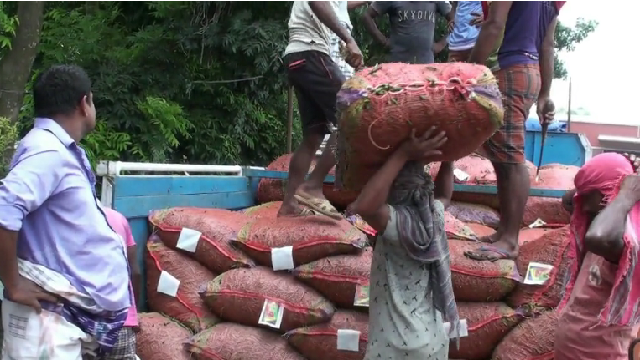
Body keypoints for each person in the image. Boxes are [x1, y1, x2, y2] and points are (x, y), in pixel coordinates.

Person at [0, 65, 131, 359]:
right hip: (49, 321)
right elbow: (4, 207)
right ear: (84, 104)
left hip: (67, 320)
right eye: (93, 101)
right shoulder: (48, 153)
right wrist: (13, 283)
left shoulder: (57, 150)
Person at [348, 127, 460, 359]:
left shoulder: (395, 225)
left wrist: (402, 154)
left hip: (395, 346)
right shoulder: (434, 217)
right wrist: (448, 159)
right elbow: (445, 196)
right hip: (435, 342)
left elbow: (365, 206)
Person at [463, 1, 563, 261]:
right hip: (530, 72)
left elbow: (495, 24)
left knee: (511, 158)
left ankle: (509, 239)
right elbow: (547, 44)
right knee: (502, 159)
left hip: (511, 69)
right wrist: (545, 93)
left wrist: (468, 72)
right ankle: (504, 234)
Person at [279, 1, 364, 219]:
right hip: (313, 54)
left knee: (314, 135)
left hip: (298, 59)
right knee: (354, 116)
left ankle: (289, 204)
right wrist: (350, 39)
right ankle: (313, 186)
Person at [554, 153, 640, 360]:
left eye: (589, 197)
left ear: (610, 195)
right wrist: (623, 169)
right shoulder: (596, 219)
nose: (581, 206)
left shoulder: (621, 239)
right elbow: (568, 201)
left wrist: (626, 194)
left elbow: (598, 238)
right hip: (574, 350)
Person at [102, 206, 142, 359]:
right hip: (122, 322)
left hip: (84, 323)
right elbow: (135, 272)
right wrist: (134, 314)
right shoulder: (118, 218)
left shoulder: (67, 218)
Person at [363, 1, 453, 64]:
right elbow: (367, 16)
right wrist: (383, 41)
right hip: (398, 62)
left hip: (426, 63)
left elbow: (455, 20)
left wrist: (442, 44)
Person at [330, 1, 370, 80]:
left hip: (340, 27)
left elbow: (343, 3)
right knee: (338, 70)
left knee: (346, 68)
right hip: (336, 26)